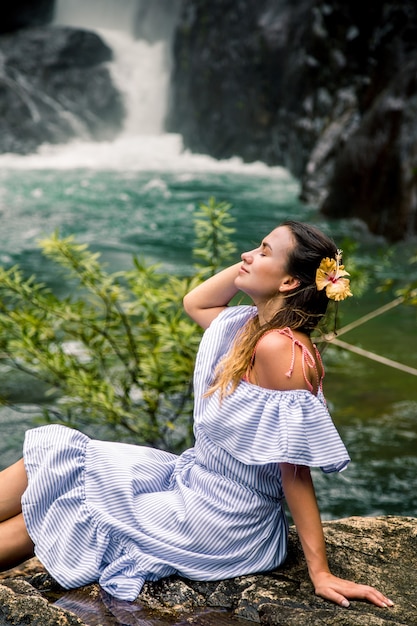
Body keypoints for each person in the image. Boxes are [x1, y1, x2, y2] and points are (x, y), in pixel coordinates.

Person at [0, 220, 393, 610]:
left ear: (289, 283)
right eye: (256, 246)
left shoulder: (281, 351)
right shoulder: (248, 325)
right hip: (194, 478)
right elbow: (197, 302)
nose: (247, 255)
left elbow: (294, 470)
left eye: (263, 252)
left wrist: (320, 572)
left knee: (57, 508)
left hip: (225, 516)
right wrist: (252, 270)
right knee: (51, 461)